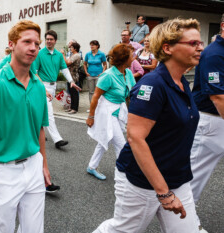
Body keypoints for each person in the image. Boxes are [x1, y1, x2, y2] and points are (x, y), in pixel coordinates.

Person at [93, 18, 203, 233]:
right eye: (193, 43)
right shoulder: (153, 85)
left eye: (200, 43)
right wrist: (163, 192)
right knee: (123, 230)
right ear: (167, 48)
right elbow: (135, 137)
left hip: (177, 177)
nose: (200, 47)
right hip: (142, 181)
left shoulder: (182, 82)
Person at [0, 20, 51, 233]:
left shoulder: (38, 86)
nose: (33, 47)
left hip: (33, 166)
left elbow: (40, 129)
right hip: (2, 172)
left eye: (37, 43)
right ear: (12, 44)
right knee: (2, 229)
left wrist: (43, 164)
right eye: (27, 42)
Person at [190, 14, 224, 233]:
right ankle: (184, 221)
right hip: (210, 120)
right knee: (195, 175)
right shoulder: (214, 54)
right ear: (222, 26)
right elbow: (218, 96)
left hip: (217, 119)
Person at [86, 44, 136, 180]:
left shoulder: (128, 73)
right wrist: (91, 116)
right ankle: (124, 174)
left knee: (105, 139)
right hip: (106, 111)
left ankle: (91, 166)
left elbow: (131, 94)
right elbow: (95, 96)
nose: (134, 57)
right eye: (131, 55)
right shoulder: (108, 75)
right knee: (121, 144)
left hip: (119, 109)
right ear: (124, 58)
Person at [33, 29, 81, 149]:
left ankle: (37, 133)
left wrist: (71, 82)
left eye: (51, 39)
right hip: (42, 86)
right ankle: (57, 140)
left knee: (41, 111)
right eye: (47, 39)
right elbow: (35, 73)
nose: (49, 41)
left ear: (55, 41)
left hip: (53, 86)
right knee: (49, 113)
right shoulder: (39, 54)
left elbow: (64, 69)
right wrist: (42, 88)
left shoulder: (59, 55)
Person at [83, 40, 107, 105]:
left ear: (97, 46)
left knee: (98, 91)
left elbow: (105, 64)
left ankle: (98, 107)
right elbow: (84, 64)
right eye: (91, 45)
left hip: (99, 76)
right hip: (90, 75)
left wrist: (103, 73)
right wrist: (86, 72)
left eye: (93, 45)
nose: (91, 46)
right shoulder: (88, 54)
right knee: (91, 92)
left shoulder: (101, 54)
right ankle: (92, 106)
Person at [61, 42, 81, 114]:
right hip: (70, 76)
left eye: (71, 47)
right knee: (71, 93)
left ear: (75, 48)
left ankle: (75, 108)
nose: (70, 49)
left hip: (74, 77)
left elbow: (67, 63)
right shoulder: (73, 55)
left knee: (74, 93)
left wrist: (63, 54)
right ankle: (71, 107)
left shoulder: (76, 56)